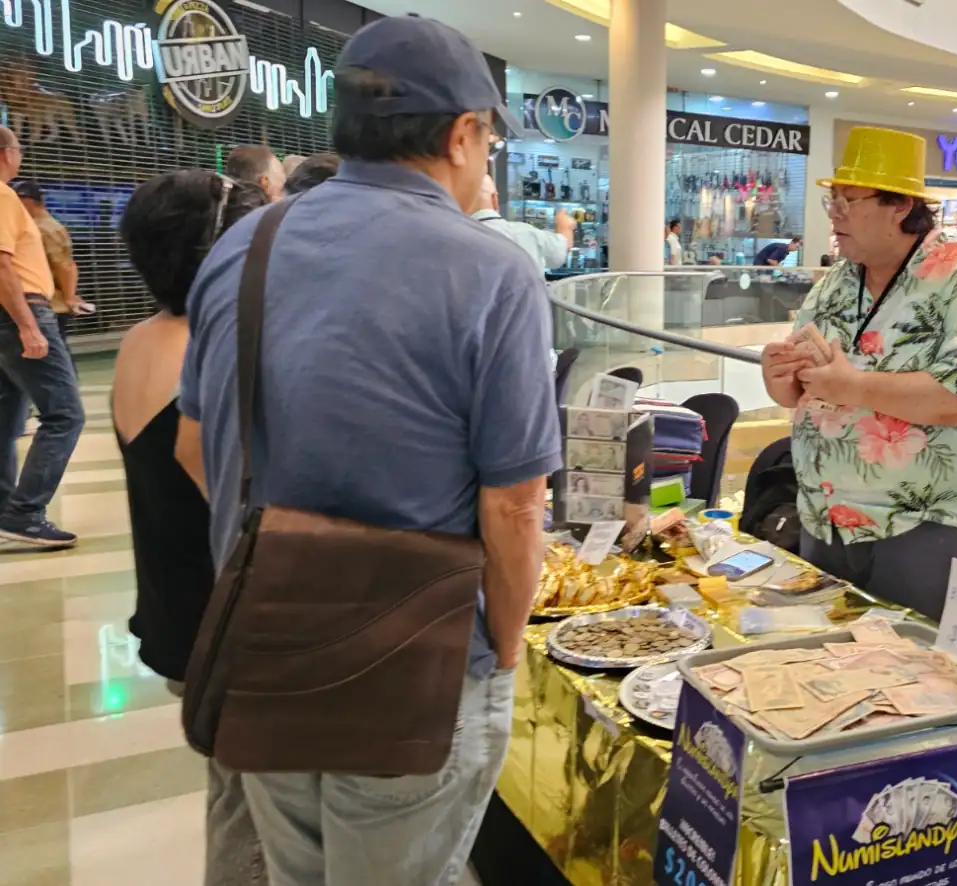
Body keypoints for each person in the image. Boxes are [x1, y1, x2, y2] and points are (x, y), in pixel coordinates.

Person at [179, 16, 559, 883]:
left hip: (266, 646)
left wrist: (293, 549)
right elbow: (514, 503)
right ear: (462, 133)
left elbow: (196, 443)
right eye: (489, 138)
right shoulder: (492, 272)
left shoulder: (247, 243)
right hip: (418, 660)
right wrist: (500, 652)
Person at [759, 126, 957, 620]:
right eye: (831, 201)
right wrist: (780, 379)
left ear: (900, 206)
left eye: (849, 200)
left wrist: (851, 385)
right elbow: (800, 391)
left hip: (923, 525)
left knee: (914, 681)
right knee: (825, 669)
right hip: (824, 519)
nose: (835, 213)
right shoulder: (836, 281)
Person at [115, 169, 270, 886]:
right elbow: (237, 508)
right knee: (252, 816)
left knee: (235, 798)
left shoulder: (139, 340)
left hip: (176, 614)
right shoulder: (203, 350)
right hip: (223, 629)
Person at [0, 126, 83, 548]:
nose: (20, 155)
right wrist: (29, 325)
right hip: (20, 311)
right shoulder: (1, 194)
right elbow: (1, 266)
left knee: (6, 418)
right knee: (65, 415)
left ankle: (3, 511)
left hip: (8, 318)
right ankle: (25, 512)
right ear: (5, 154)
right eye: (18, 147)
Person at [12, 180, 85, 341]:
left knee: (52, 357)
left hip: (49, 305)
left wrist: (69, 297)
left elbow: (63, 266)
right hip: (46, 304)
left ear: (28, 201)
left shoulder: (42, 228)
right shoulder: (38, 226)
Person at [471, 173, 572, 272]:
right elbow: (561, 249)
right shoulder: (527, 234)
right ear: (495, 199)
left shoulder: (457, 242)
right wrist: (564, 224)